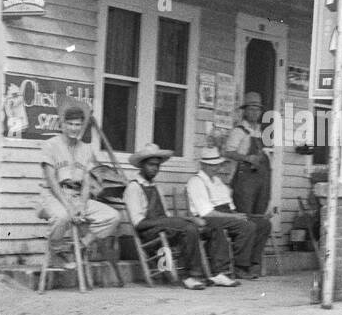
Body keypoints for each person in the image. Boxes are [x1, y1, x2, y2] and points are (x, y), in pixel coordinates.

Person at [123, 143, 220, 290]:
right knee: (188, 226)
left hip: (164, 228)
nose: (154, 168)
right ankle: (190, 276)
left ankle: (205, 274)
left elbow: (166, 216)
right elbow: (138, 223)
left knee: (200, 228)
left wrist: (175, 221)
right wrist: (177, 221)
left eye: (157, 165)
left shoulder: (157, 187)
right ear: (142, 165)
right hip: (148, 232)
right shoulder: (134, 187)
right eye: (151, 165)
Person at [37, 100, 122, 267]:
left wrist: (82, 205)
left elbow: (86, 182)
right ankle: (57, 252)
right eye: (70, 124)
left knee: (112, 216)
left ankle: (79, 246)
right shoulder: (50, 145)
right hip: (52, 196)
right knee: (62, 216)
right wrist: (69, 207)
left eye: (78, 125)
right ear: (62, 124)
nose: (74, 128)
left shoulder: (86, 149)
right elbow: (52, 181)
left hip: (76, 196)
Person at [187, 146, 271, 280]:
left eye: (216, 165)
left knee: (263, 224)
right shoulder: (196, 181)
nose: (215, 168)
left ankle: (251, 263)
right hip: (209, 218)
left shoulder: (218, 181)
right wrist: (235, 216)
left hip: (228, 214)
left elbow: (230, 206)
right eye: (210, 165)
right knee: (246, 226)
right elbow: (207, 212)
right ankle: (240, 267)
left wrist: (239, 215)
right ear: (202, 165)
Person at [224, 92, 272, 216]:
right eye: (251, 109)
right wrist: (247, 158)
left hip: (260, 181)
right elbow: (228, 153)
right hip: (243, 182)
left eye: (257, 110)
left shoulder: (259, 131)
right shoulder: (238, 131)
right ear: (245, 111)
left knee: (260, 214)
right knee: (245, 216)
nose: (254, 112)